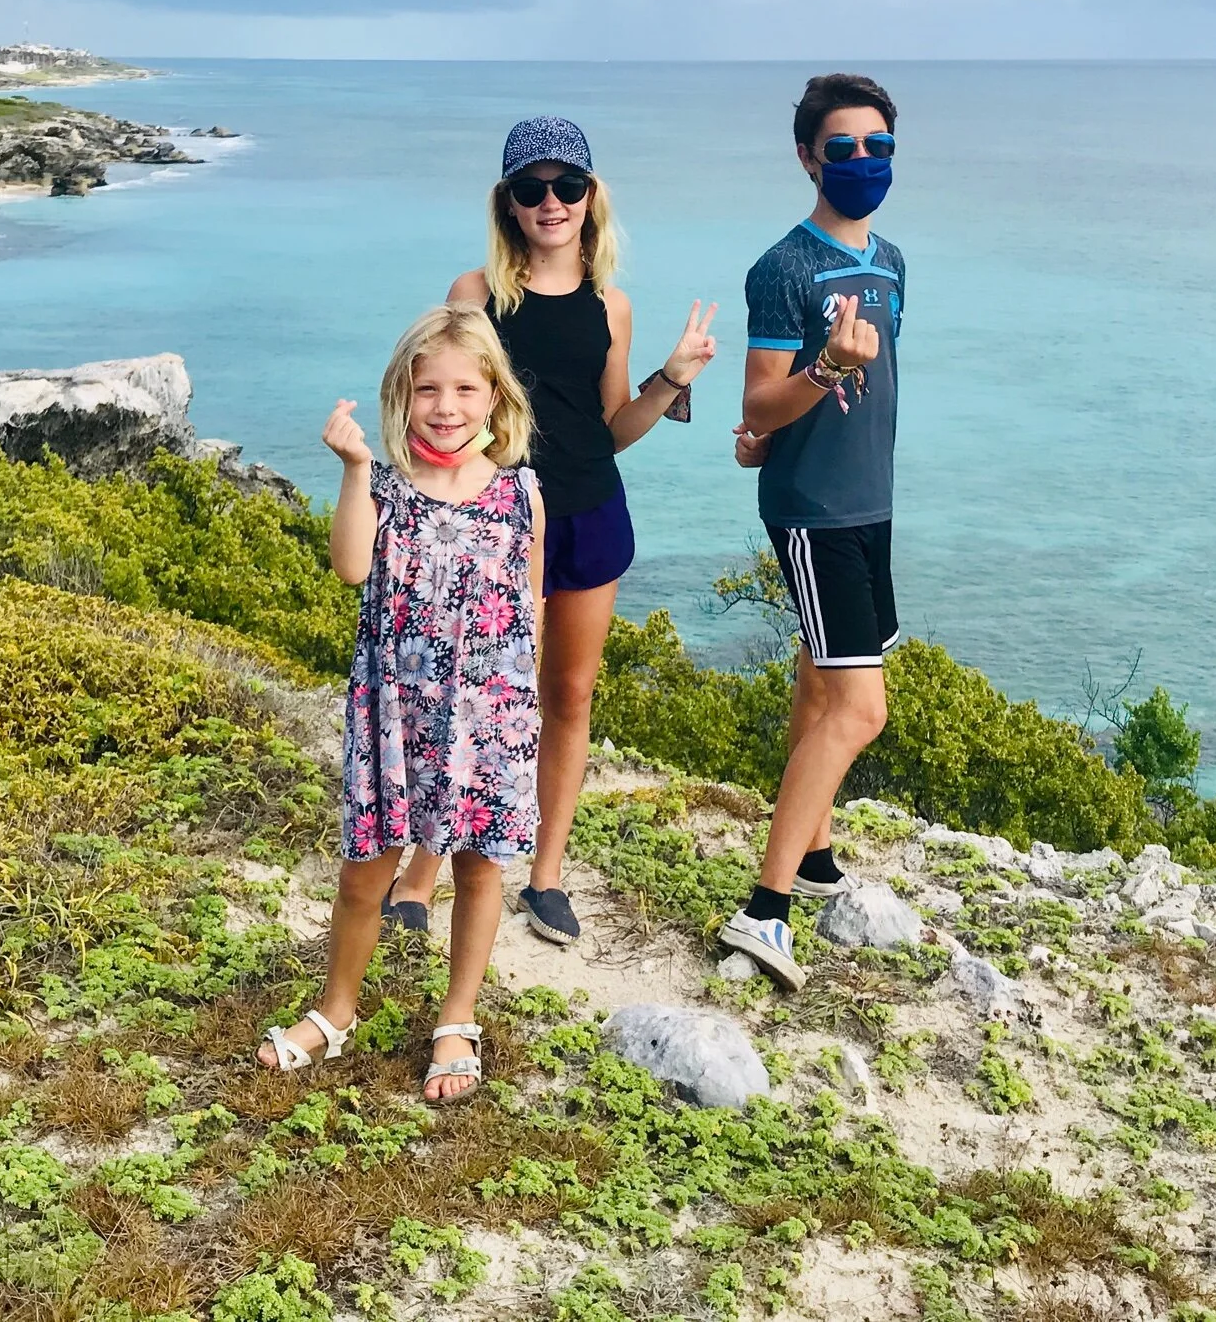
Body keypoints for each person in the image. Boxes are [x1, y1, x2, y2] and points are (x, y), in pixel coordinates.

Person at [385, 117, 719, 949]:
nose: (551, 202)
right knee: (476, 696)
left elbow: (611, 425)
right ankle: (424, 873)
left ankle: (547, 874)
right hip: (498, 524)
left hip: (590, 511)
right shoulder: (476, 294)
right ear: (508, 202)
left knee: (568, 696)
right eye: (531, 188)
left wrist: (671, 379)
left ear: (591, 196)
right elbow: (449, 407)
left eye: (567, 185)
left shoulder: (613, 303)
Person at [257, 303, 546, 1105]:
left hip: (489, 717)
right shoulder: (383, 486)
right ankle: (335, 1009)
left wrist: (523, 715)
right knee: (363, 876)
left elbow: (533, 607)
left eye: (463, 387)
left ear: (494, 394)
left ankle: (458, 1018)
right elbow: (351, 567)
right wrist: (352, 470)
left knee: (481, 871)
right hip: (394, 716)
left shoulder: (522, 491)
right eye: (427, 389)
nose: (445, 406)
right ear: (402, 394)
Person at [717, 73, 905, 990]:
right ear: (807, 157)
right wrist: (825, 362)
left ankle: (817, 848)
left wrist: (816, 397)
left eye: (878, 147)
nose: (862, 162)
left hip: (870, 503)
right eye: (843, 148)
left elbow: (860, 399)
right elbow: (757, 399)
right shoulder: (783, 267)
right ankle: (764, 908)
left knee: (816, 678)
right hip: (814, 512)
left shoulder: (894, 263)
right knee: (860, 709)